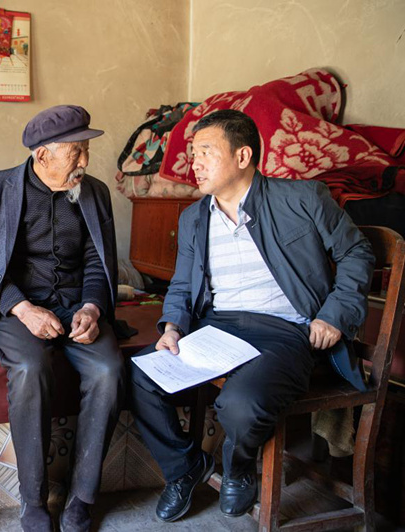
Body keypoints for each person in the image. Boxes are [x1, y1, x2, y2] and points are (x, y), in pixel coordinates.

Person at [128, 109, 375, 522]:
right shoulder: (193, 218)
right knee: (140, 375)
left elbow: (356, 252)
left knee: (242, 403)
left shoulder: (302, 198)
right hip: (218, 328)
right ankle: (185, 468)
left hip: (283, 331)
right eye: (193, 153)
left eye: (206, 152)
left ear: (242, 156)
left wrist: (335, 315)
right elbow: (183, 285)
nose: (195, 163)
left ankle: (238, 468)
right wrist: (172, 328)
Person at [0, 105, 123, 532]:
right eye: (76, 152)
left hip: (77, 305)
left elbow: (98, 261)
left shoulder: (94, 192)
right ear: (43, 155)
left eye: (86, 150)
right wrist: (23, 309)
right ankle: (33, 500)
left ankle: (82, 497)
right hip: (18, 307)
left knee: (109, 371)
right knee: (29, 368)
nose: (85, 161)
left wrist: (92, 307)